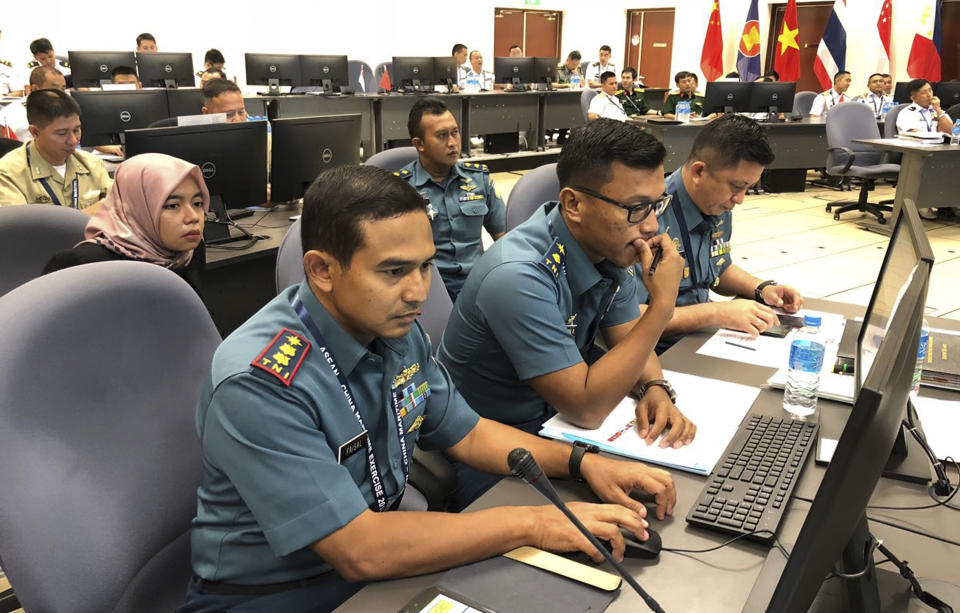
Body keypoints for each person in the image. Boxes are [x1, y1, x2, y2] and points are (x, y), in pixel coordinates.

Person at [177, 163, 676, 612]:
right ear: (322, 270)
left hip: (380, 554)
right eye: (394, 271)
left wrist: (583, 462)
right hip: (277, 593)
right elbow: (360, 550)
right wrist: (538, 523)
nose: (419, 291)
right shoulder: (260, 381)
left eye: (425, 266)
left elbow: (470, 434)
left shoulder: (394, 327)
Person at [438, 119, 696, 508]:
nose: (651, 225)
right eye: (636, 208)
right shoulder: (518, 275)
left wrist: (657, 389)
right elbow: (587, 408)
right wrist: (662, 305)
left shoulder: (609, 246)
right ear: (574, 204)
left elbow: (629, 340)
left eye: (657, 204)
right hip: (492, 447)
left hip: (559, 426)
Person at [633, 114, 803, 353]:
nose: (740, 199)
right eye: (736, 186)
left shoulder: (715, 202)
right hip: (656, 350)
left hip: (701, 336)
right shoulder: (647, 219)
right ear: (699, 171)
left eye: (748, 188)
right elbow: (627, 319)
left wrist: (761, 288)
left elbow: (717, 268)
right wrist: (715, 313)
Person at [43, 153, 208, 294]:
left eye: (198, 203)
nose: (193, 217)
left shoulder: (188, 252)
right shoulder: (84, 264)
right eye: (173, 206)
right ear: (138, 208)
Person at [395, 98, 505, 301]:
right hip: (430, 288)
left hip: (478, 282)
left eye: (455, 132)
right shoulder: (401, 189)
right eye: (442, 136)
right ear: (419, 144)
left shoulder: (478, 179)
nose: (453, 143)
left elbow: (504, 237)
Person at [0, 89, 110, 208]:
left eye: (76, 130)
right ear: (35, 132)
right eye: (62, 133)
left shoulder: (92, 164)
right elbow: (18, 225)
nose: (73, 140)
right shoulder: (9, 173)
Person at [0, 66, 65, 142]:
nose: (61, 94)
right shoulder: (8, 116)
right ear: (35, 89)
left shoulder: (69, 110)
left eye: (63, 89)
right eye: (55, 89)